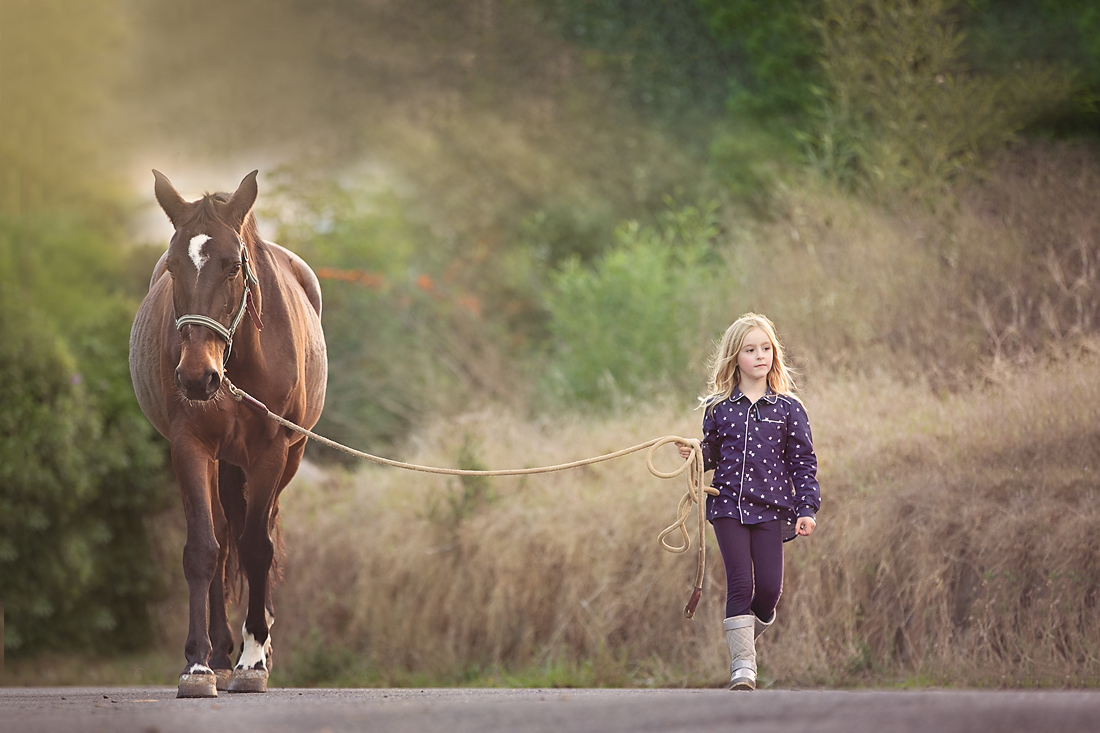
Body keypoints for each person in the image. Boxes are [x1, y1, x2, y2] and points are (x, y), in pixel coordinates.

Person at [677, 312, 820, 690]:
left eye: (766, 348)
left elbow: (803, 462)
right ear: (734, 358)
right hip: (728, 508)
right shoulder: (718, 407)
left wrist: (807, 508)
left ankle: (744, 638)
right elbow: (712, 453)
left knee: (769, 589)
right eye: (750, 349)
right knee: (740, 583)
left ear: (774, 352)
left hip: (773, 510)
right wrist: (694, 455)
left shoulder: (789, 408)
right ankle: (743, 667)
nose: (760, 356)